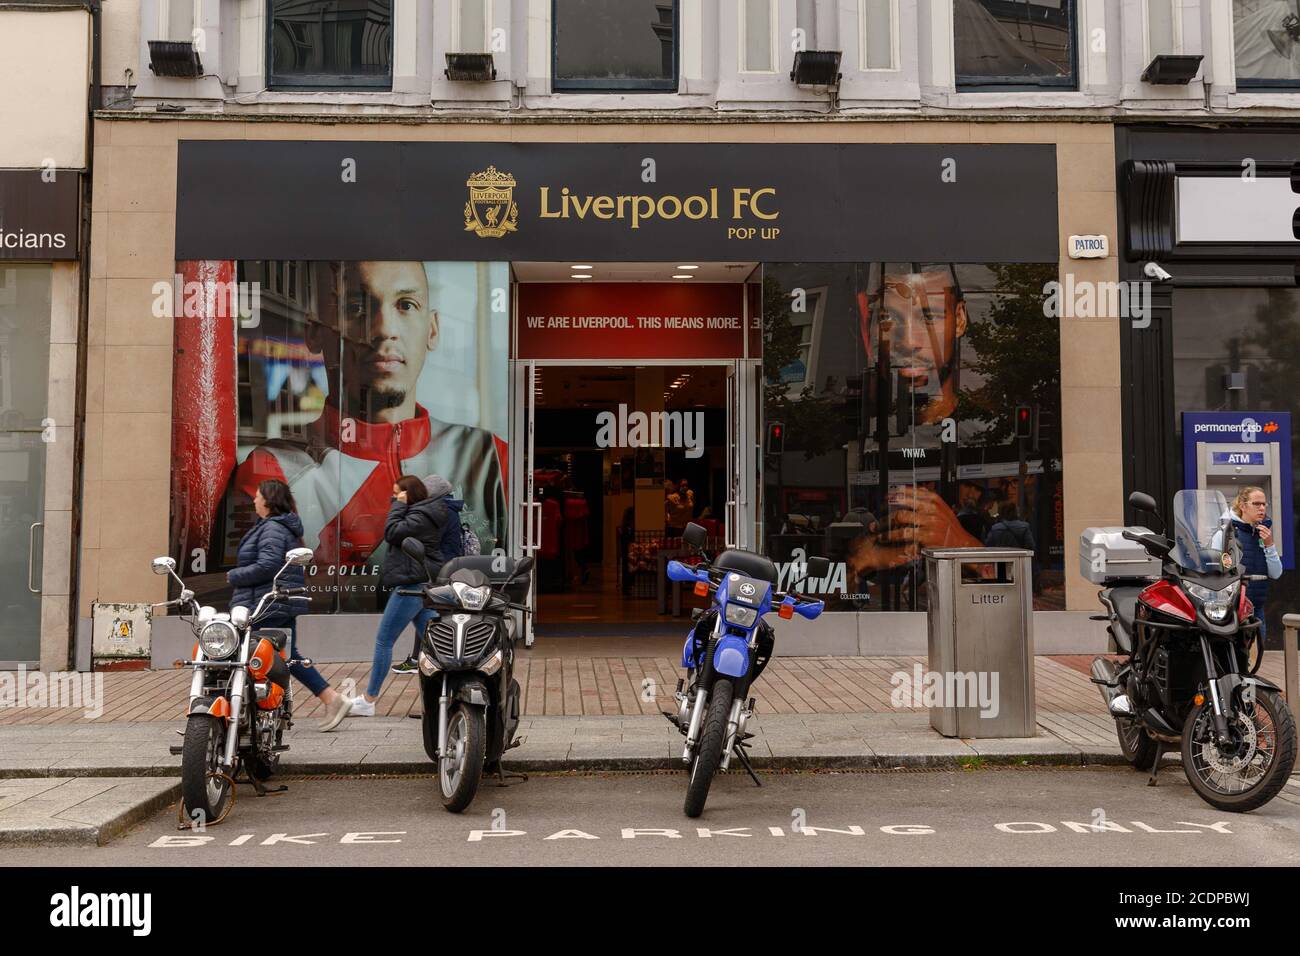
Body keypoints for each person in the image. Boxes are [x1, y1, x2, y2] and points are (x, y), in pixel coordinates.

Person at [230, 260, 506, 604]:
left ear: (432, 329)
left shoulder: (490, 456)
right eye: (356, 307)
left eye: (406, 305)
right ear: (315, 332)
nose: (383, 328)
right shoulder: (274, 471)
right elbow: (276, 593)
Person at [227, 478, 352, 731]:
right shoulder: (275, 526)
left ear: (269, 501)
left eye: (258, 495)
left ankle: (258, 710)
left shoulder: (273, 528)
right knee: (285, 657)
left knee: (249, 654)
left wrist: (234, 575)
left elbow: (268, 565)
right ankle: (325, 700)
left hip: (266, 603)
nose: (254, 500)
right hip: (276, 600)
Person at [349, 474, 457, 716]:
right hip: (418, 582)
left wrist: (398, 505)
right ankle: (449, 694)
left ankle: (369, 699)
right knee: (435, 644)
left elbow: (392, 532)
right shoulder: (424, 512)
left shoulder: (421, 515)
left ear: (409, 494)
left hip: (411, 584)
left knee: (384, 640)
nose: (393, 497)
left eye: (397, 493)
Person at [392, 473, 467, 674]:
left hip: (442, 568)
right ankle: (423, 657)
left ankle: (425, 658)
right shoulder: (447, 508)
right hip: (446, 565)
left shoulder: (441, 511)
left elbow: (427, 537)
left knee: (431, 611)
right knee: (429, 611)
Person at [1230, 485, 1283, 640]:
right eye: (1256, 504)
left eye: (1264, 504)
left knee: (1257, 656)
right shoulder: (1228, 531)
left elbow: (1276, 573)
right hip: (1233, 608)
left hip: (1257, 608)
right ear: (1242, 506)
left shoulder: (1264, 532)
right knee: (1236, 657)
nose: (1261, 508)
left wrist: (1269, 545)